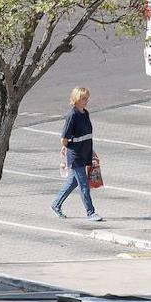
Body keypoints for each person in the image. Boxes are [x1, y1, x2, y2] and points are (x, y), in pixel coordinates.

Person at [52, 87, 102, 221]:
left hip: (84, 152)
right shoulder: (72, 115)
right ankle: (90, 212)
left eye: (87, 98)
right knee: (83, 185)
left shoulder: (85, 113)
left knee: (73, 182)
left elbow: (86, 135)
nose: (86, 101)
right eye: (83, 98)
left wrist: (92, 151)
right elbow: (64, 137)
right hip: (76, 156)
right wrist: (65, 147)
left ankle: (56, 204)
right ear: (76, 99)